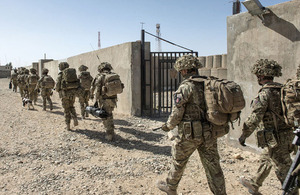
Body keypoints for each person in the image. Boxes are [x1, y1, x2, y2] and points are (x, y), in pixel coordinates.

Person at [156, 54, 227, 195]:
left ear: (184, 70)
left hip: (189, 135)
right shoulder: (209, 84)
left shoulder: (186, 87)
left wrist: (168, 126)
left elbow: (177, 114)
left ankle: (171, 187)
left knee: (179, 161)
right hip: (209, 133)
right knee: (214, 166)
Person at [239, 59, 296, 195]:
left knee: (285, 171)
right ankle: (254, 184)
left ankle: (293, 192)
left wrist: (244, 135)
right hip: (288, 136)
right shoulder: (283, 89)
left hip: (277, 139)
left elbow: (254, 117)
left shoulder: (265, 93)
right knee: (266, 158)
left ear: (261, 76)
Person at [90, 62, 120, 141]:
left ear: (100, 69)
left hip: (104, 100)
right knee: (109, 114)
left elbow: (94, 88)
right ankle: (111, 131)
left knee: (105, 116)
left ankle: (109, 134)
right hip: (113, 99)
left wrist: (94, 97)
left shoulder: (99, 76)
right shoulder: (114, 75)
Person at [56, 62, 79, 130]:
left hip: (64, 94)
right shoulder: (72, 74)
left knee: (66, 109)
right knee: (71, 106)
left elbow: (57, 84)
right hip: (73, 93)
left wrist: (58, 90)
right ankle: (75, 117)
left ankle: (68, 125)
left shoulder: (61, 74)